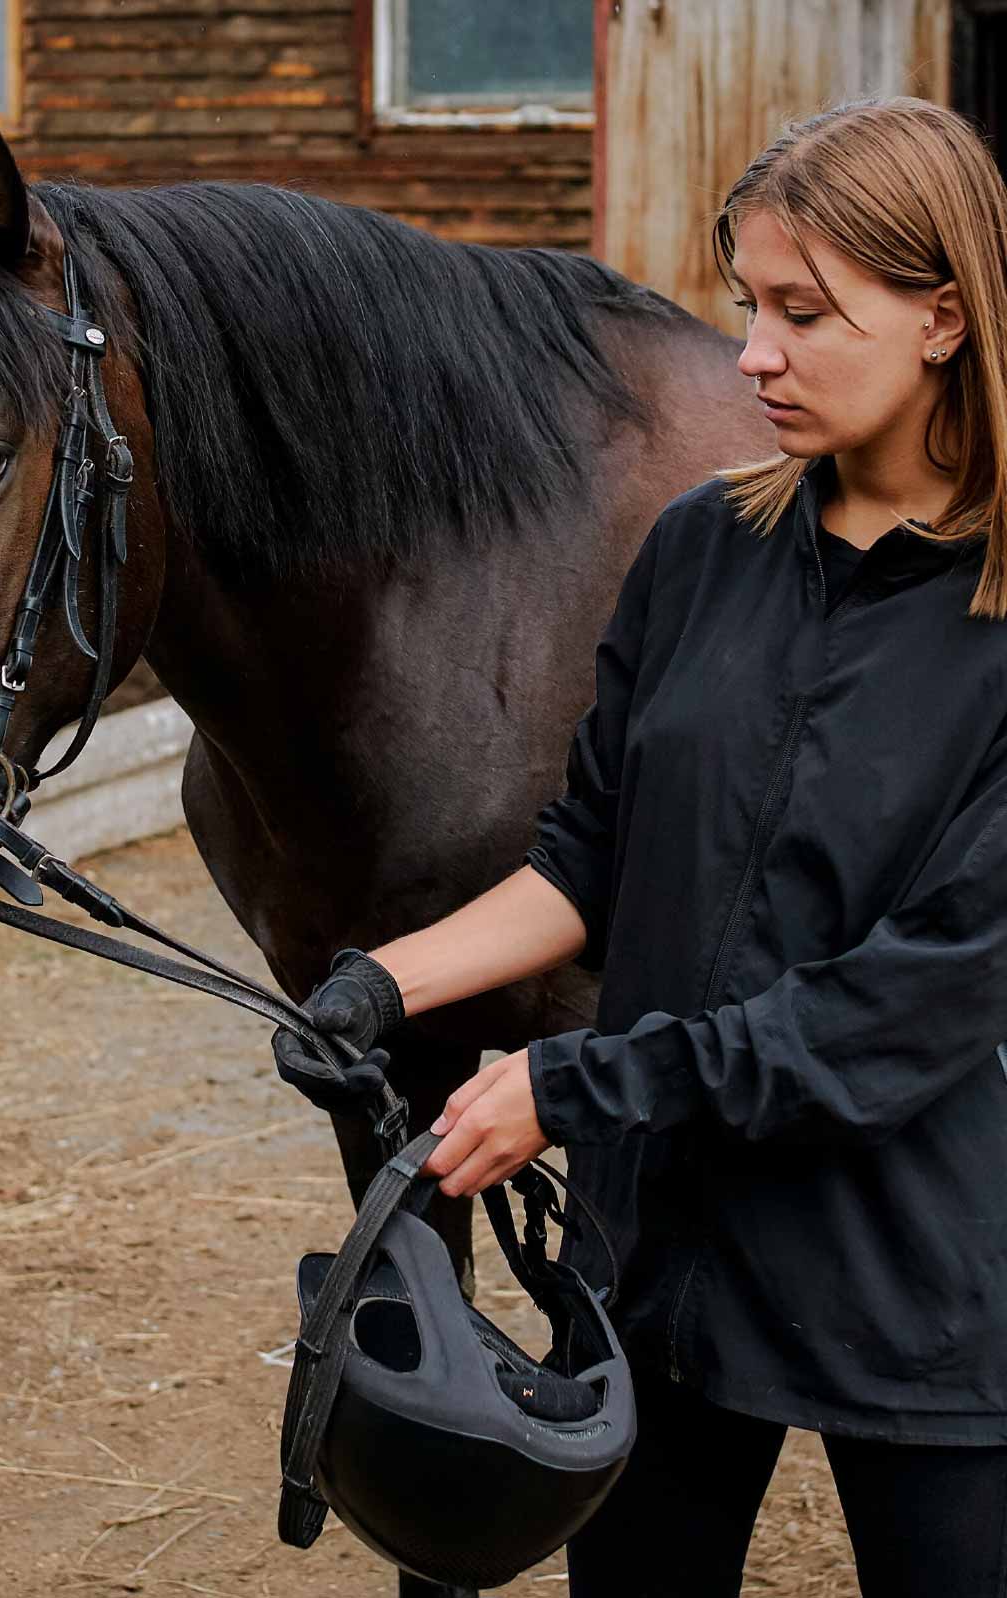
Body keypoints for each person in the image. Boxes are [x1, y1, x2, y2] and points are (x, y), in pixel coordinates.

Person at [273, 97, 1007, 1597]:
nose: (753, 355)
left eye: (805, 313)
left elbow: (900, 1005)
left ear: (943, 318)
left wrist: (570, 1082)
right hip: (661, 1254)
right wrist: (377, 985)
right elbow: (584, 859)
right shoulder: (699, 550)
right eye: (750, 306)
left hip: (922, 1269)